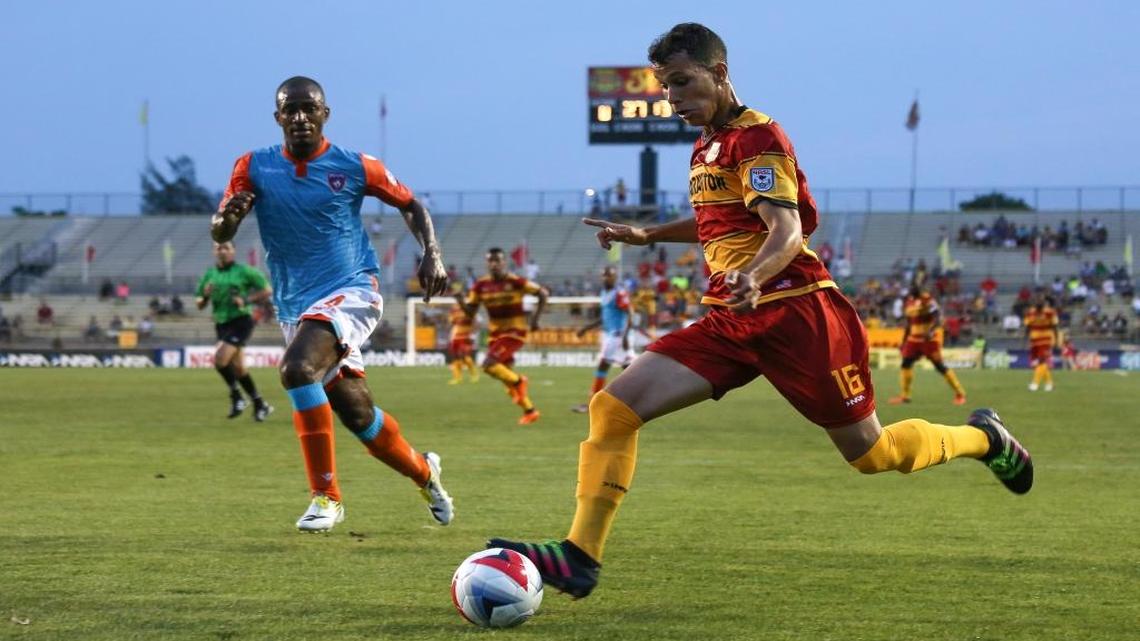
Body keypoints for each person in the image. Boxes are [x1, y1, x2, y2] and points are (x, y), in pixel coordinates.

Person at [487, 23, 1033, 599]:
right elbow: (717, 222)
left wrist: (752, 274)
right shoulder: (707, 145)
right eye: (665, 88)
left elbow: (786, 229)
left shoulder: (758, 137)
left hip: (798, 312)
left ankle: (984, 439)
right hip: (732, 318)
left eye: (681, 82)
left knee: (873, 454)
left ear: (719, 74)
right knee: (613, 409)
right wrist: (647, 235)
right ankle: (579, 557)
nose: (672, 98)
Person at [212, 75, 453, 532]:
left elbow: (411, 205)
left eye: (310, 108)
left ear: (325, 114)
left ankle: (326, 498)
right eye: (291, 109)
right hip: (295, 305)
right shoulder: (253, 166)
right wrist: (227, 218)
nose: (301, 117)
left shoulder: (356, 165)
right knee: (358, 415)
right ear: (278, 117)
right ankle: (426, 473)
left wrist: (431, 253)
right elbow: (221, 230)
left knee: (296, 369)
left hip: (353, 289)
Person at [454, 247, 548, 425]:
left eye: (497, 260)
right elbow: (471, 313)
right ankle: (530, 411)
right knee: (507, 380)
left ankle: (521, 381)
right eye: (490, 260)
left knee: (489, 365)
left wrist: (535, 320)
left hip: (514, 332)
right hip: (495, 335)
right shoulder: (480, 286)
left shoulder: (516, 281)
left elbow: (542, 293)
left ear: (504, 262)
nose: (494, 264)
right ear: (487, 263)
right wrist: (460, 300)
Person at [195, 240, 274, 421]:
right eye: (218, 248)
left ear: (233, 251)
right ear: (214, 251)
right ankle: (261, 404)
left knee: (220, 359)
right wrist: (205, 295)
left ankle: (237, 396)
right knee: (239, 369)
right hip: (221, 323)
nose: (222, 251)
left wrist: (246, 300)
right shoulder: (209, 274)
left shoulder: (244, 271)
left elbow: (267, 290)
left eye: (226, 248)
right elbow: (199, 304)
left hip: (241, 320)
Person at [888, 287, 967, 406]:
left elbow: (937, 317)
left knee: (940, 366)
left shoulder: (927, 300)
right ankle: (905, 396)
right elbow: (909, 324)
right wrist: (904, 341)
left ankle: (960, 394)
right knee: (906, 364)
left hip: (928, 340)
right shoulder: (910, 303)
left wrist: (931, 330)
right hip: (913, 340)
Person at [572, 266, 634, 413]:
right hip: (612, 335)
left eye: (609, 276)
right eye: (604, 275)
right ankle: (638, 401)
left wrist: (625, 336)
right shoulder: (604, 293)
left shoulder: (619, 293)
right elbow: (605, 316)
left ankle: (593, 403)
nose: (606, 278)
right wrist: (587, 328)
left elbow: (630, 313)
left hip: (618, 336)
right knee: (629, 369)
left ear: (614, 277)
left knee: (602, 366)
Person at [1024, 301, 1060, 391]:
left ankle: (1034, 384)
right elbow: (1027, 327)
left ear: (1043, 305)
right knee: (1037, 363)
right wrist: (1025, 339)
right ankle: (1049, 384)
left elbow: (1055, 326)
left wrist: (1056, 340)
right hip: (1034, 341)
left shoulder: (1050, 312)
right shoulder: (1030, 312)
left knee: (1042, 361)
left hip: (1045, 340)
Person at [446, 292, 479, 385]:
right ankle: (457, 378)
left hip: (466, 337)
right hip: (456, 338)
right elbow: (451, 322)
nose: (456, 303)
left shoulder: (468, 310)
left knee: (466, 358)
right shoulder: (453, 311)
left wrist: (473, 333)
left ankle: (474, 374)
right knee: (455, 359)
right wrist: (452, 318)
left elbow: (474, 322)